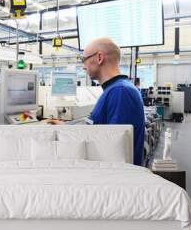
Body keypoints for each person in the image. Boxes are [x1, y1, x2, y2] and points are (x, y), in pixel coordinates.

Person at [48, 38, 145, 166]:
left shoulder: (120, 92)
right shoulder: (114, 90)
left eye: (84, 60)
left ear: (99, 58)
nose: (83, 66)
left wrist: (68, 137)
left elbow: (112, 150)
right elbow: (99, 134)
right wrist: (67, 129)